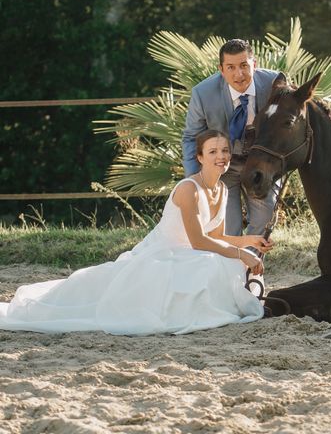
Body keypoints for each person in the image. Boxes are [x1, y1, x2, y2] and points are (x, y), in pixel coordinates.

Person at [0, 130, 273, 336]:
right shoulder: (189, 189)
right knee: (215, 262)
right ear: (199, 157)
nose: (221, 157)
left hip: (190, 253)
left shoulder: (222, 189)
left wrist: (249, 242)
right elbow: (199, 240)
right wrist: (241, 254)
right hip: (163, 254)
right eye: (213, 152)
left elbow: (217, 235)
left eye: (225, 151)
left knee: (225, 260)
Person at [182, 38, 280, 237]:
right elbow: (191, 137)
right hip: (224, 165)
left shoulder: (275, 84)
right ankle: (232, 266)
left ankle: (251, 266)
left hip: (260, 163)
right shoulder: (203, 94)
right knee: (227, 227)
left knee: (264, 217)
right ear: (221, 69)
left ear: (255, 64)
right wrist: (194, 182)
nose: (239, 74)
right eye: (231, 67)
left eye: (244, 65)